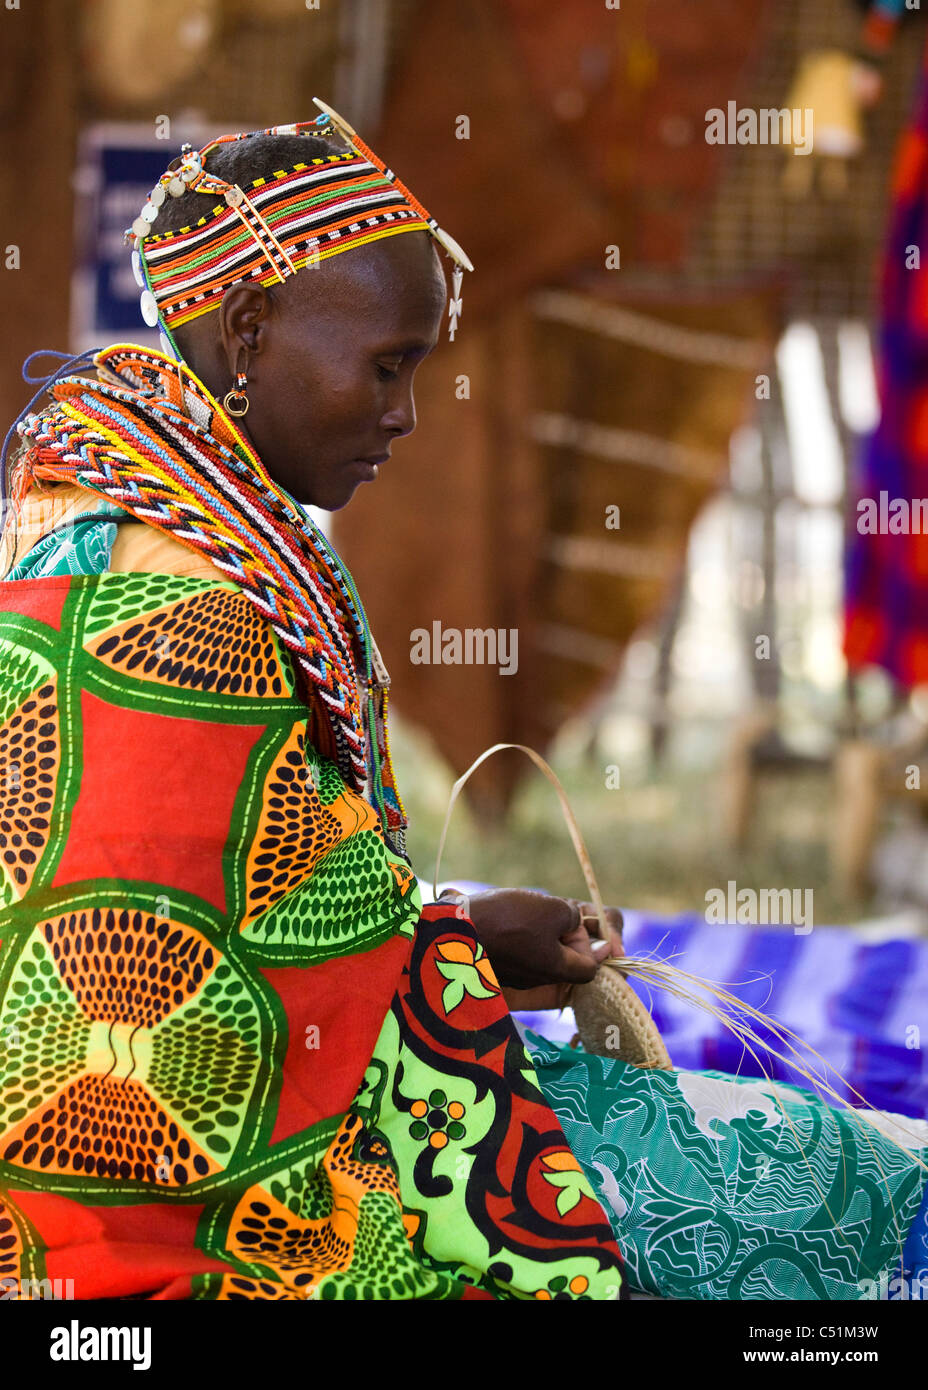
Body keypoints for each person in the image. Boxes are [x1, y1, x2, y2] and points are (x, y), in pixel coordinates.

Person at [0, 105, 924, 1303]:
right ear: (245, 330)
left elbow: (248, 902)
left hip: (295, 1100)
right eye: (387, 365)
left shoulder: (107, 515)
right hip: (258, 1188)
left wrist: (461, 934)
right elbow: (170, 1003)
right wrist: (446, 950)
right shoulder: (177, 608)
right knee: (856, 1187)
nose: (406, 413)